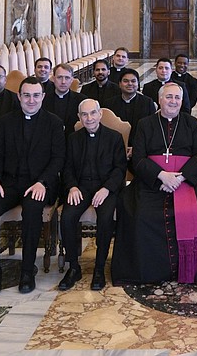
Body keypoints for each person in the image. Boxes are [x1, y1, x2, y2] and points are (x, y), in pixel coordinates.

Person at [112, 83, 197, 285]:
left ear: (182, 101)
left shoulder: (190, 123)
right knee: (138, 212)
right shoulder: (145, 123)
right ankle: (147, 269)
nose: (173, 101)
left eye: (177, 97)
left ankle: (189, 267)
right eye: (169, 97)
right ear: (159, 99)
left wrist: (179, 178)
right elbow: (138, 158)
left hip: (183, 181)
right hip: (152, 182)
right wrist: (161, 176)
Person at [0, 77, 66, 295]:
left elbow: (58, 158)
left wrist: (42, 182)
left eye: (36, 95)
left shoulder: (54, 123)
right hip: (9, 182)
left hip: (40, 183)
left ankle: (27, 269)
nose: (31, 100)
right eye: (26, 95)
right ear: (19, 96)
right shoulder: (6, 121)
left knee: (33, 209)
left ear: (43, 97)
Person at [58, 100, 127, 292]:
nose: (89, 118)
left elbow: (120, 168)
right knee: (67, 217)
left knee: (105, 219)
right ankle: (73, 267)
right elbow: (67, 167)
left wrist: (106, 189)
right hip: (80, 188)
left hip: (105, 189)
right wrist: (72, 187)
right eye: (84, 115)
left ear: (100, 114)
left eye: (93, 113)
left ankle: (99, 267)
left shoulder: (114, 137)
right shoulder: (73, 138)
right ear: (79, 117)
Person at [46, 64, 86, 132]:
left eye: (67, 78)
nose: (63, 82)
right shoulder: (44, 100)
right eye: (59, 77)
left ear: (71, 80)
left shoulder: (81, 100)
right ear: (53, 79)